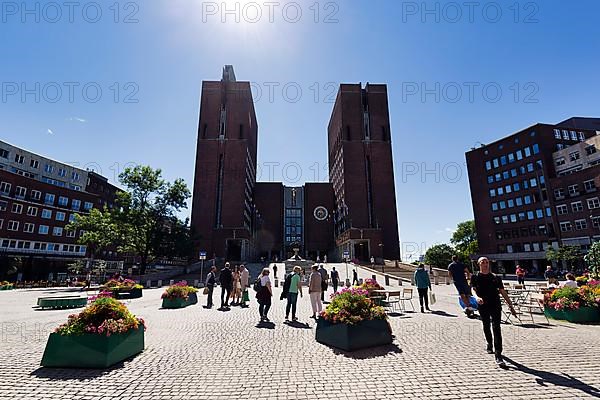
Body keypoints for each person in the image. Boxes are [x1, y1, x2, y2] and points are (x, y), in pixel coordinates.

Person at [471, 257, 517, 368]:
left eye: (487, 262)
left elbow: (502, 292)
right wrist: (477, 297)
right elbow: (473, 289)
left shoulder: (495, 277)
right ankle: (489, 343)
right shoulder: (475, 277)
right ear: (479, 264)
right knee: (486, 325)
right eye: (483, 262)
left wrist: (511, 306)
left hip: (495, 305)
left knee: (496, 328)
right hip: (483, 305)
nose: (485, 264)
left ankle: (498, 355)